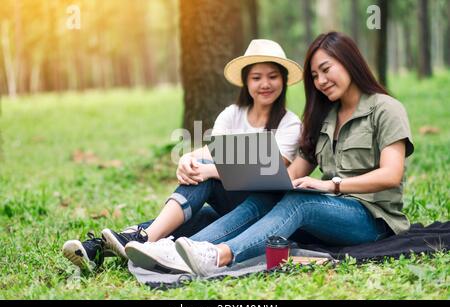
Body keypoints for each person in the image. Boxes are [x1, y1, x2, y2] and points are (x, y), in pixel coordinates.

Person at [129, 31, 414, 277]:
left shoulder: (385, 109)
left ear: (350, 62)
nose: (321, 81)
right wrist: (202, 161)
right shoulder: (324, 118)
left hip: (373, 219)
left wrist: (330, 185)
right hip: (331, 212)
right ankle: (170, 247)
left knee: (301, 202)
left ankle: (219, 255)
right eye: (315, 75)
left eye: (327, 69)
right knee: (273, 196)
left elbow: (391, 174)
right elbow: (290, 175)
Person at [62, 39, 304, 272]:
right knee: (193, 213)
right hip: (227, 200)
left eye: (273, 76)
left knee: (205, 176)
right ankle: (107, 247)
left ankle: (144, 238)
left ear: (283, 80)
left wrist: (208, 168)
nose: (265, 84)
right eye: (257, 77)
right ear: (246, 81)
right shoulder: (232, 115)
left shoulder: (289, 123)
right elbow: (213, 151)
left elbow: (270, 168)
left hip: (262, 206)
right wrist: (188, 158)